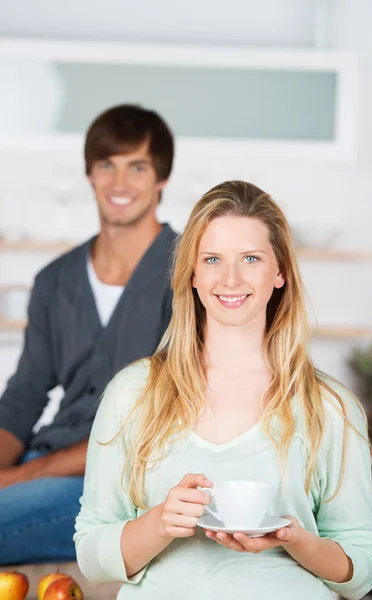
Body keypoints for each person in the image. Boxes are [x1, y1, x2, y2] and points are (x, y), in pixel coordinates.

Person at [74, 181, 372, 600]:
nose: (230, 278)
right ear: (193, 275)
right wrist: (160, 522)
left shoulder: (331, 408)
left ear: (280, 273)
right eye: (213, 259)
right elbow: (92, 559)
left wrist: (296, 538)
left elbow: (359, 571)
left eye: (251, 258)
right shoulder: (133, 394)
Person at [0, 104, 177, 565]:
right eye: (106, 166)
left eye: (137, 166)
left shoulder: (191, 274)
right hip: (44, 460)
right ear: (90, 176)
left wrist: (23, 477)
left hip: (121, 483)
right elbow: (24, 397)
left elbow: (157, 421)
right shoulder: (54, 280)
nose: (120, 183)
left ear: (161, 179)